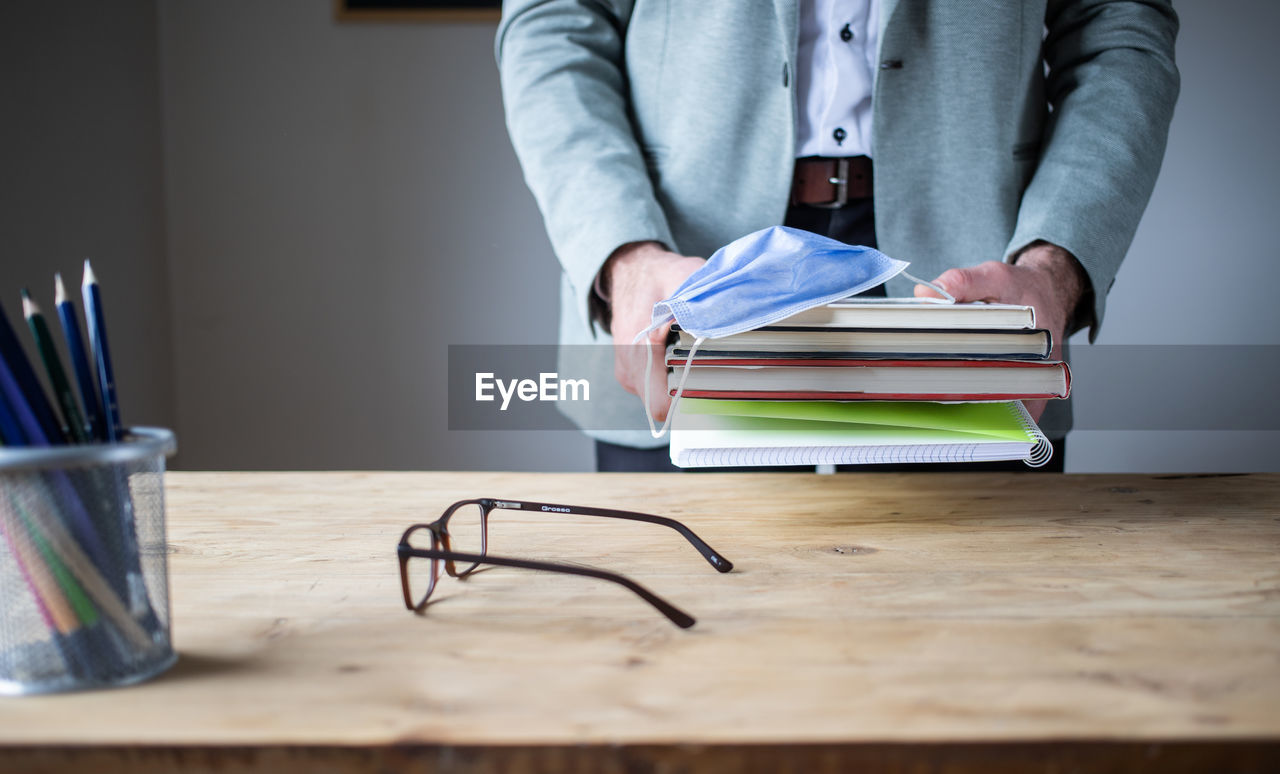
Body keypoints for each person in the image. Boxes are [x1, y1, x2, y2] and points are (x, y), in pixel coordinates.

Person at [496, 1, 1179, 472]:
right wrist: (622, 254)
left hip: (974, 265)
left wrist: (1054, 265)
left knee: (976, 643)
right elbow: (555, 21)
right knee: (679, 644)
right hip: (682, 268)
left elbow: (1118, 27)